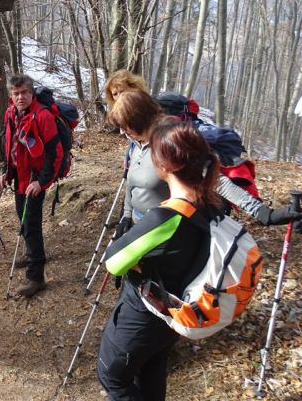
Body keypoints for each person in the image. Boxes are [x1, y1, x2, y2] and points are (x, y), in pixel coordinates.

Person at [98, 117, 223, 400]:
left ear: (165, 166)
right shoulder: (211, 205)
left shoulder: (165, 217)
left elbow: (113, 262)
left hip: (144, 314)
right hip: (178, 312)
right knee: (152, 368)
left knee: (113, 376)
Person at [107, 91, 302, 238]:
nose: (123, 132)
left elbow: (215, 179)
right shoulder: (137, 142)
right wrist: (126, 216)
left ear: (139, 119)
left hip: (167, 232)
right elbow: (132, 184)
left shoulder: (171, 142)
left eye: (125, 126)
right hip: (138, 227)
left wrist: (264, 213)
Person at [0, 74, 63, 297]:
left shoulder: (42, 116)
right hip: (19, 178)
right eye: (15, 93)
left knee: (31, 225)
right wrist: (6, 171)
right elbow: (10, 145)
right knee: (23, 219)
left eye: (24, 92)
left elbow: (55, 153)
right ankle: (30, 253)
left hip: (34, 180)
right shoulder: (11, 114)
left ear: (31, 93)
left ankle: (36, 277)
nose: (20, 97)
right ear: (10, 95)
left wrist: (42, 182)